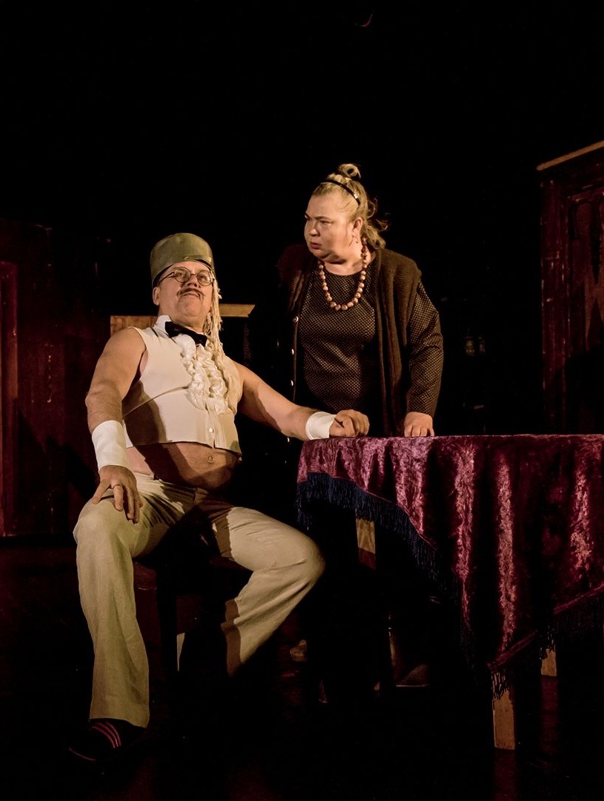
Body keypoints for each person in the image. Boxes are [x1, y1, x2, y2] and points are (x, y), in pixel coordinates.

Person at [67, 232, 369, 767]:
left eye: (202, 277)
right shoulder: (137, 341)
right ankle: (119, 709)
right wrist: (111, 460)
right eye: (178, 275)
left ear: (213, 294)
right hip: (150, 493)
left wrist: (334, 423)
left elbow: (288, 416)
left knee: (301, 558)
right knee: (94, 526)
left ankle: (201, 655)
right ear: (157, 293)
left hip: (211, 507)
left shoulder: (228, 367)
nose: (192, 283)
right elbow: (103, 392)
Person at [242, 163, 444, 698]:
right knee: (326, 544)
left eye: (324, 222)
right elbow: (261, 333)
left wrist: (420, 408)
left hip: (381, 435)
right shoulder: (295, 269)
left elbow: (427, 341)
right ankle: (339, 652)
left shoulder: (396, 274)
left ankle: (411, 650)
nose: (311, 231)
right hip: (315, 435)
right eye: (307, 220)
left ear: (357, 226)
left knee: (401, 540)